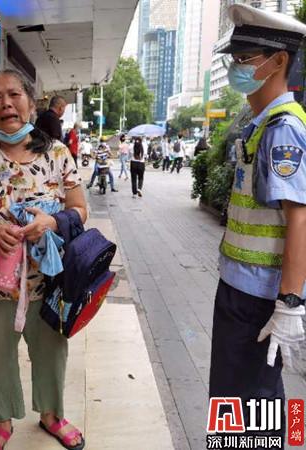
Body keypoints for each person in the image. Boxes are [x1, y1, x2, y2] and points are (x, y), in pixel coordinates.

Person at [0, 69, 87, 450]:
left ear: (30, 102)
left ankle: (52, 415)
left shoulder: (57, 153)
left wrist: (52, 221)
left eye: (14, 94)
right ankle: (3, 418)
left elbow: (79, 209)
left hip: (49, 279)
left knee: (51, 351)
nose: (6, 103)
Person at [209, 4, 306, 446]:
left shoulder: (284, 129)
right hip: (242, 289)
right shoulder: (262, 123)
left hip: (260, 298)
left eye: (245, 59)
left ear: (279, 61)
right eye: (234, 60)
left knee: (250, 401)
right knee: (241, 398)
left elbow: (300, 217)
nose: (237, 69)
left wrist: (289, 304)